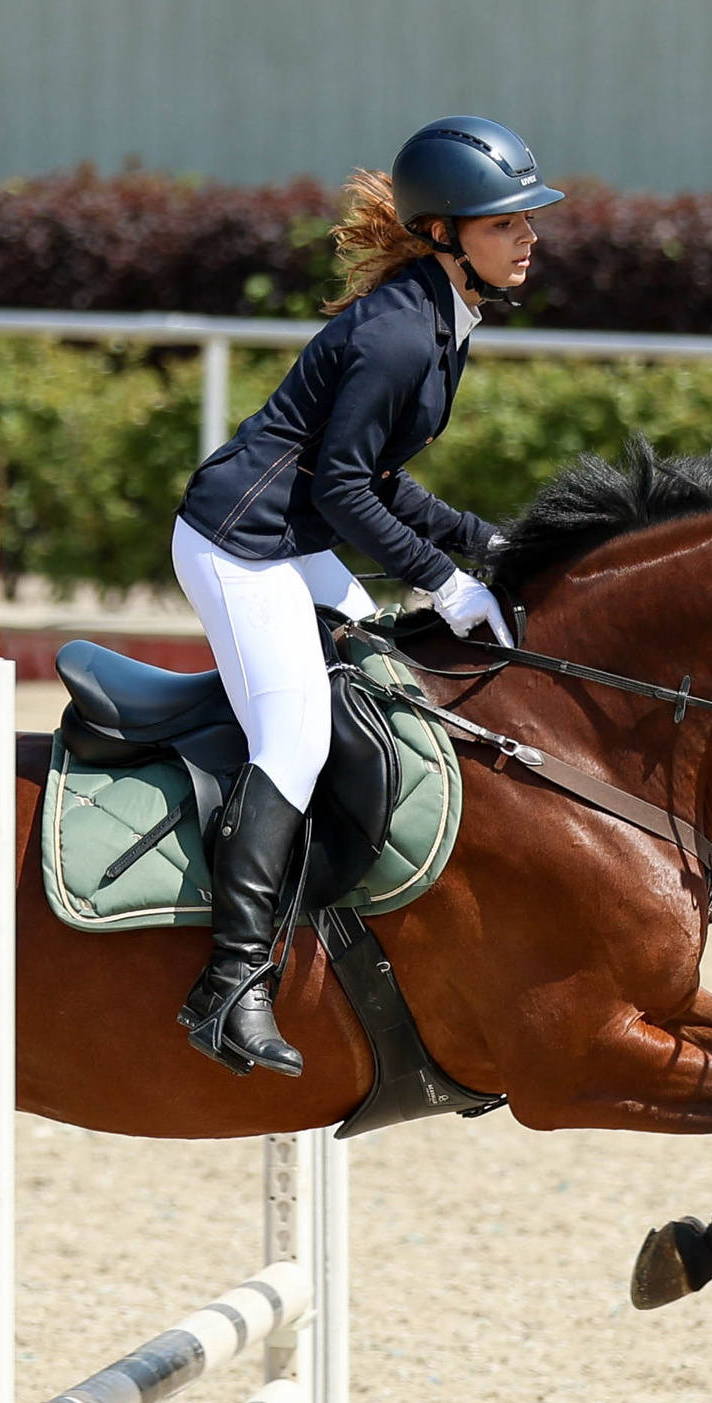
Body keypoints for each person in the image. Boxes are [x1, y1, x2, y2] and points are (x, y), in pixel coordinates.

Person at [173, 116, 563, 1077]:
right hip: (239, 547)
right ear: (445, 234)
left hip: (291, 541)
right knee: (296, 739)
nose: (528, 236)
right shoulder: (398, 334)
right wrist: (446, 581)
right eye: (504, 222)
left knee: (387, 692)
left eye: (527, 219)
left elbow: (376, 477)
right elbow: (348, 492)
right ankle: (230, 986)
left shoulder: (439, 317)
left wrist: (485, 542)